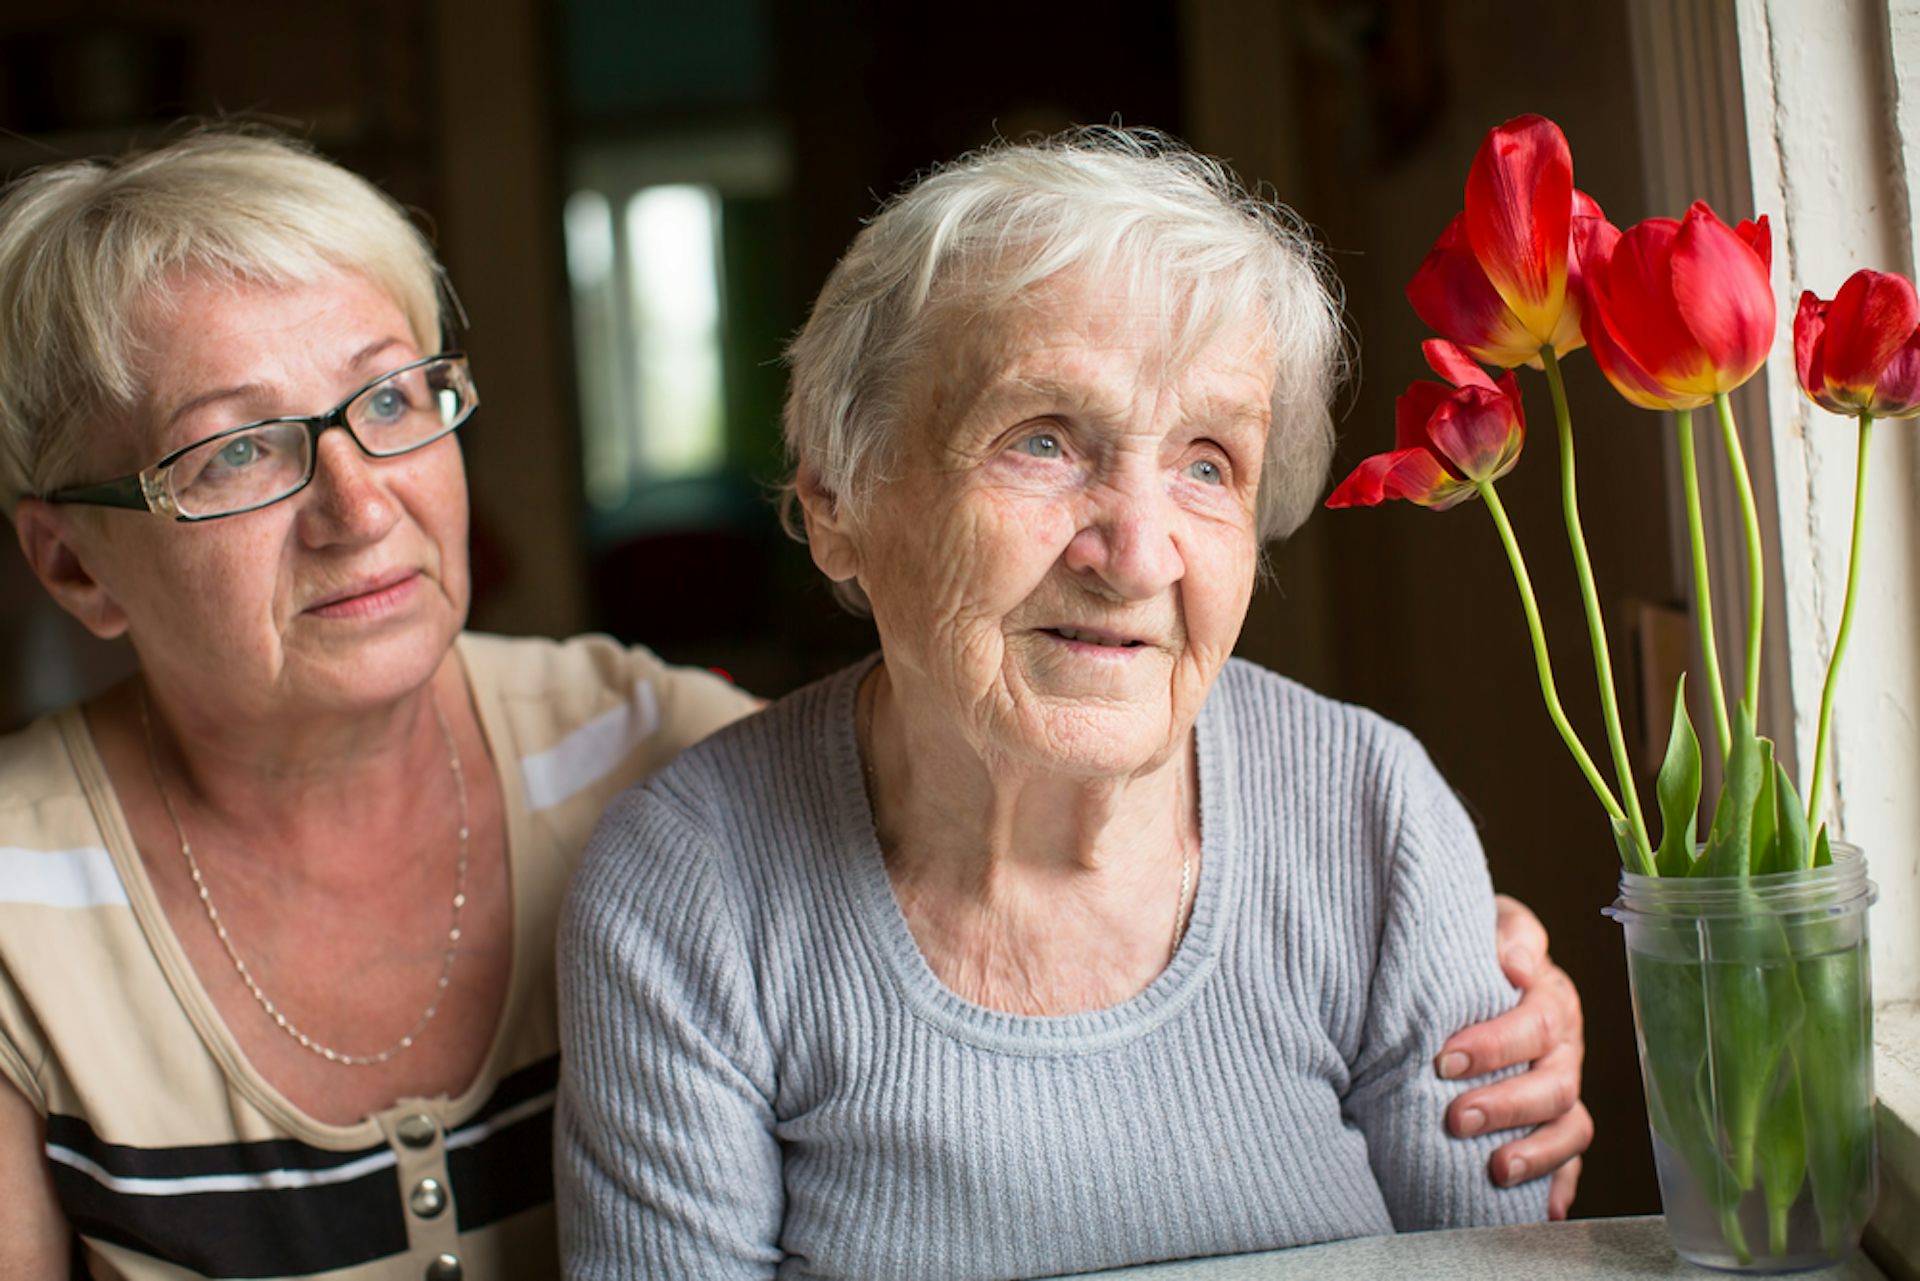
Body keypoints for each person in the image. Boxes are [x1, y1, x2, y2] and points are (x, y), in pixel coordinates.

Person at [0, 127, 1583, 1280]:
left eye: (393, 399)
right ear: (836, 508)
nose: (360, 504)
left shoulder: (624, 733)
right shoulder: (684, 852)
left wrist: (1453, 942)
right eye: (236, 449)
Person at [556, 126, 1586, 1280]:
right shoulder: (688, 894)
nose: (1138, 555)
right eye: (1041, 441)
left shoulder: (1371, 817)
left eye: (1208, 463)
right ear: (840, 504)